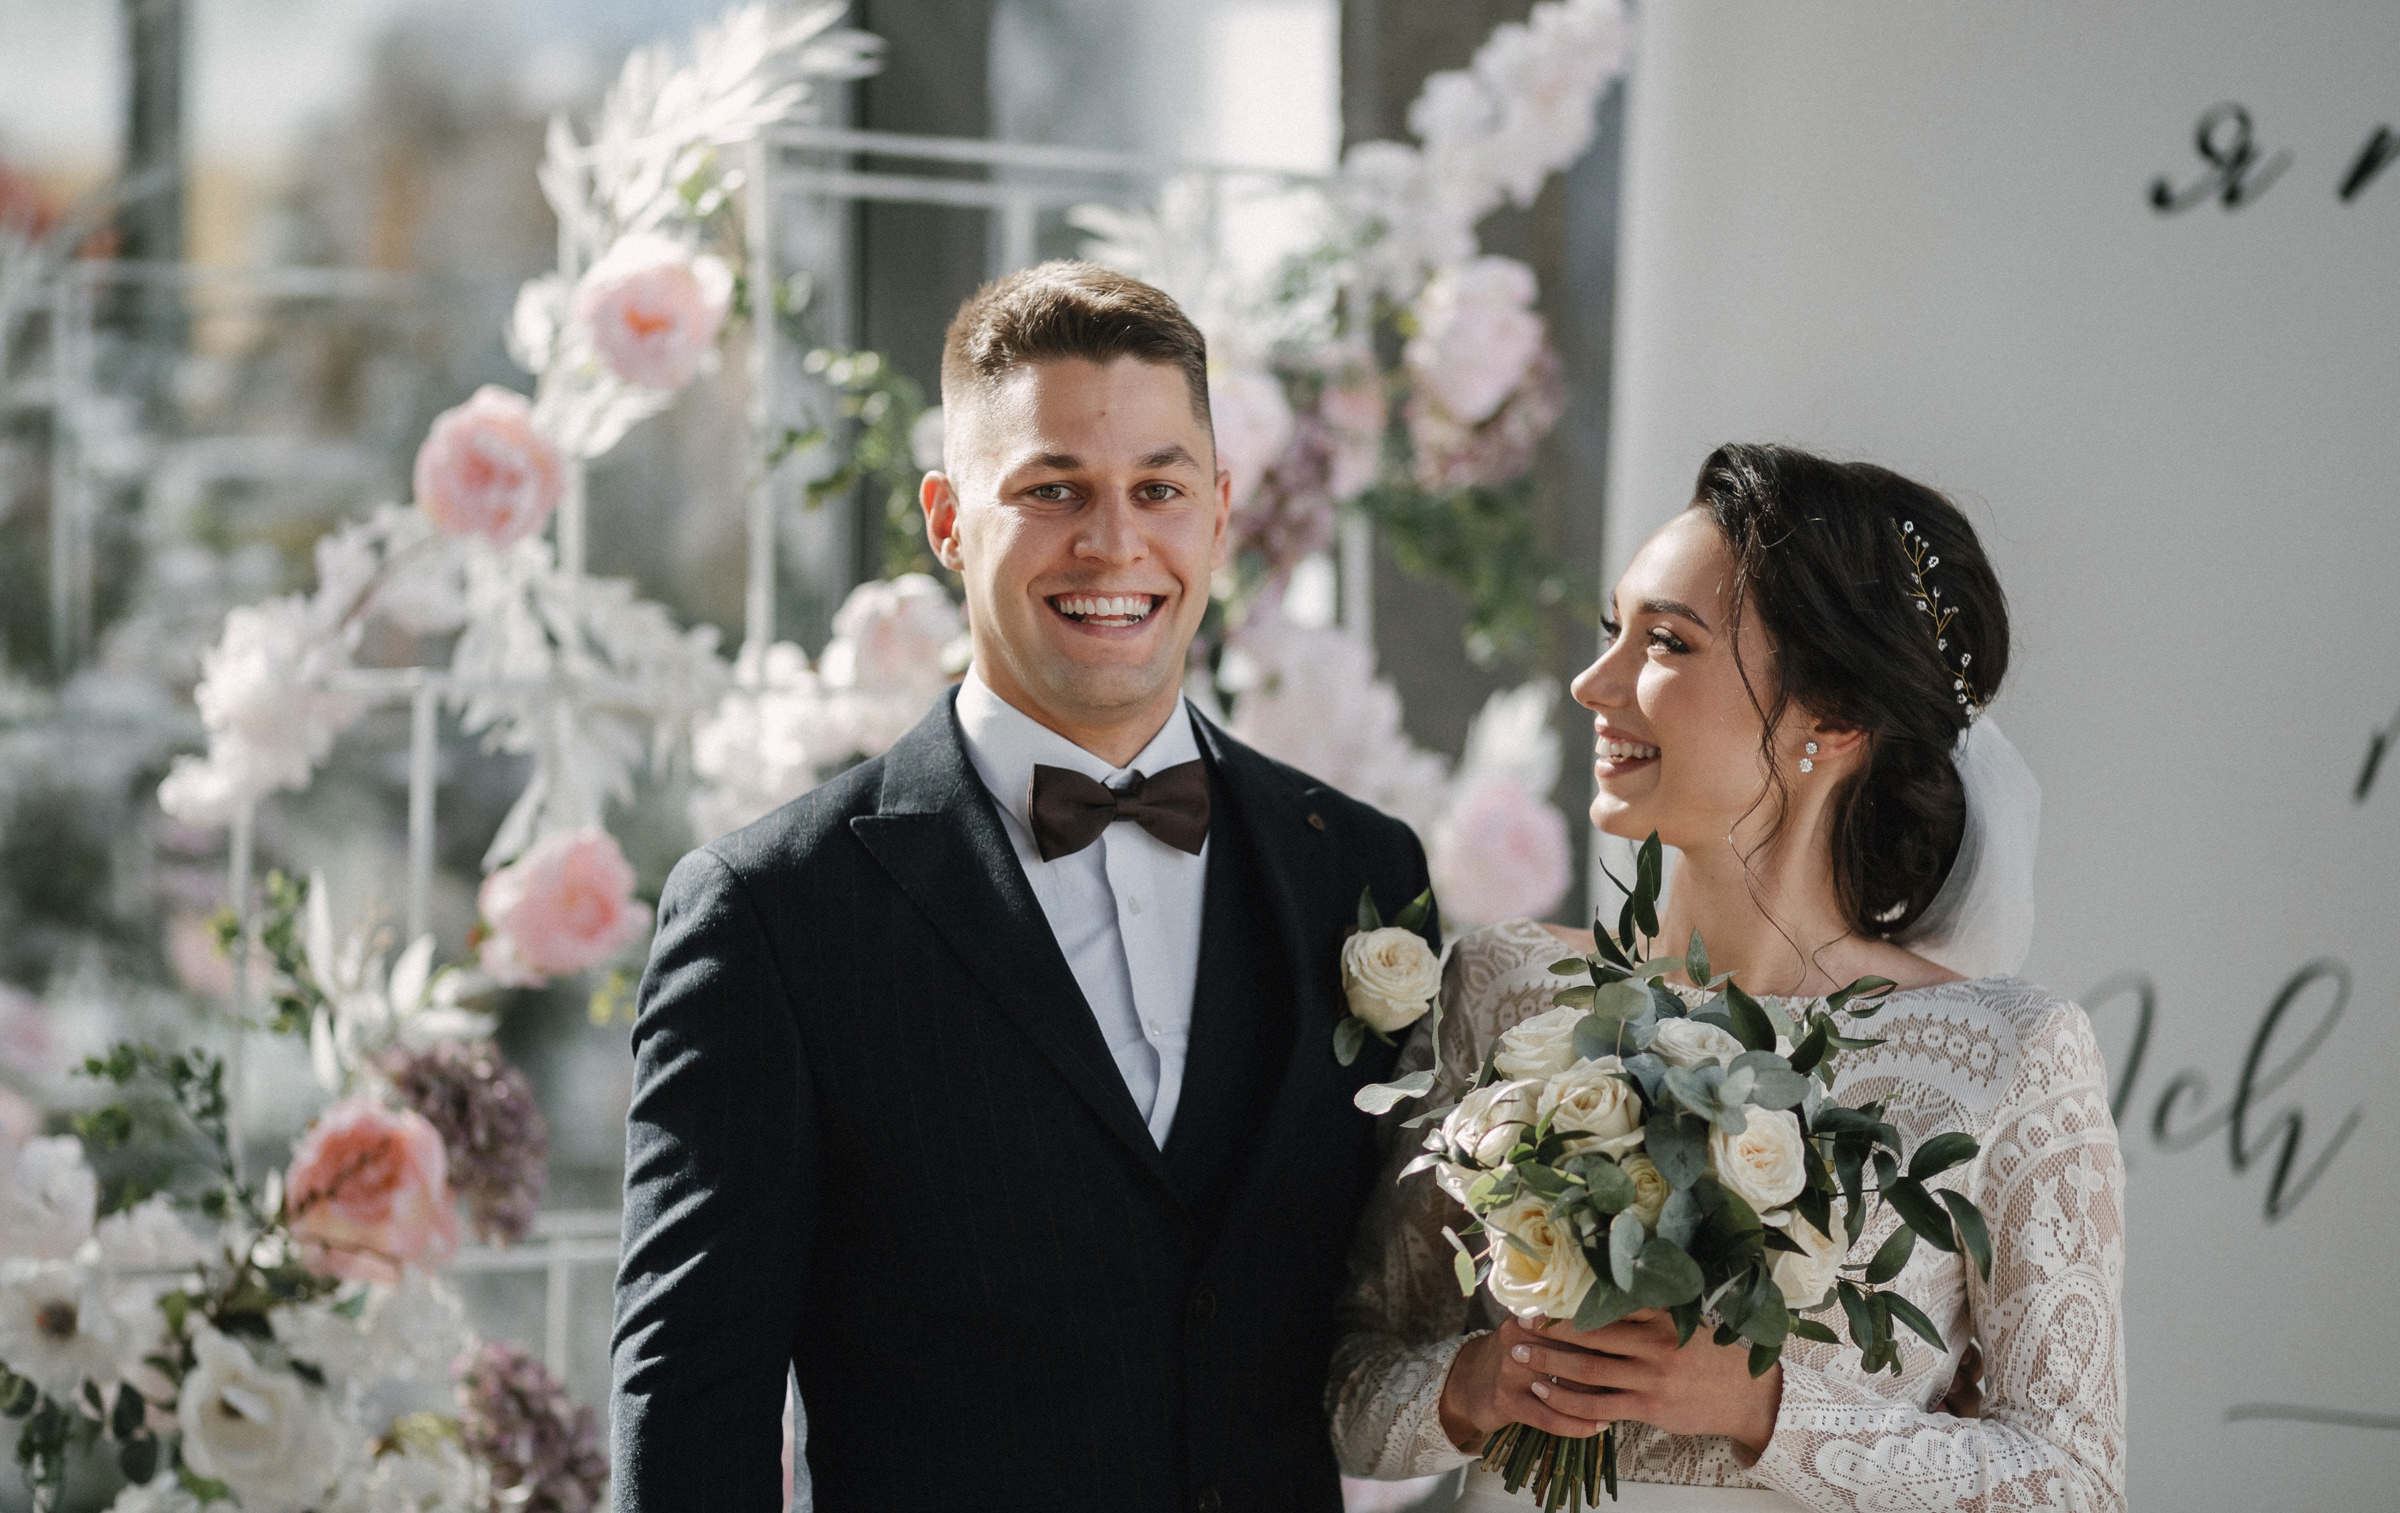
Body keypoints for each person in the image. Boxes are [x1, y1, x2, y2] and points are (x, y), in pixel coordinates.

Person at [610, 261, 1437, 1513]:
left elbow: (1386, 1314)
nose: (1114, 542)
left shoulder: (1364, 870)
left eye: (1157, 488)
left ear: (1218, 511)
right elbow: (689, 1409)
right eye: (1054, 491)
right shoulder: (772, 914)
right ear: (947, 519)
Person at [1328, 444, 2126, 1511]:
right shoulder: (1509, 986)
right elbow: (1350, 1387)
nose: (1592, 682)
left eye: (1666, 641)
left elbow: (2075, 1483)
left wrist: (1765, 1406)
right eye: (1614, 629)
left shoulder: (2008, 1056)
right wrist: (1476, 1384)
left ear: (1833, 719)